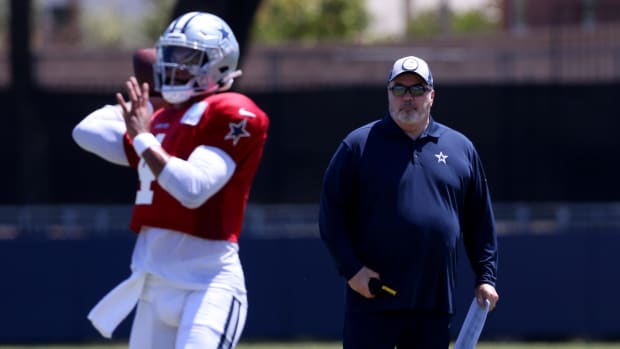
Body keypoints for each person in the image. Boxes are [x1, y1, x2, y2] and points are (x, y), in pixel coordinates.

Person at [72, 12, 269, 349]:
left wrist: (145, 138)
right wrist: (150, 113)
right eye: (170, 55)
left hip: (207, 284)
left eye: (187, 57)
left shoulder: (231, 110)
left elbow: (192, 189)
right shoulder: (161, 121)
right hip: (154, 285)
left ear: (219, 64)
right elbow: (85, 130)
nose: (174, 65)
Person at [318, 55, 499, 349]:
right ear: (388, 94)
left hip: (434, 303)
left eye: (417, 89)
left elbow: (480, 221)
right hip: (373, 299)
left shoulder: (460, 148)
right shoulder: (358, 145)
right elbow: (331, 214)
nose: (407, 98)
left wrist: (486, 277)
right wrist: (352, 270)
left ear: (432, 95)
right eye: (399, 89)